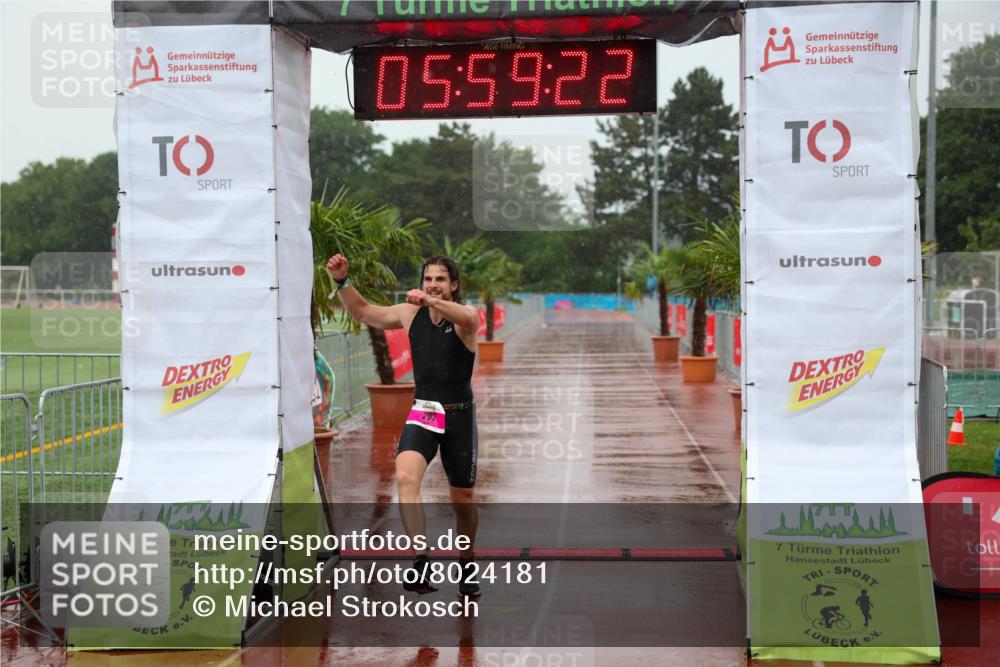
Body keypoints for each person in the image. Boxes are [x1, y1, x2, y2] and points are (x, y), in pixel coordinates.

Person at [327, 253, 481, 597]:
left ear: (453, 285)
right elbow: (364, 312)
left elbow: (470, 319)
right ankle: (421, 562)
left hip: (458, 413)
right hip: (425, 411)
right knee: (405, 478)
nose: (433, 285)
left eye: (440, 280)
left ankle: (467, 562)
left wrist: (429, 300)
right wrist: (342, 281)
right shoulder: (410, 314)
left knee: (464, 500)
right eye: (428, 280)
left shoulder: (462, 317)